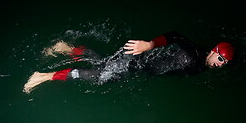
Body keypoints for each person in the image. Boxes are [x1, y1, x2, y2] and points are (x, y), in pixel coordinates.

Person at [23, 31, 234, 93]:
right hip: (135, 59)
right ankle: (44, 76)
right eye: (221, 58)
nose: (221, 64)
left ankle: (67, 48)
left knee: (101, 63)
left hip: (138, 64)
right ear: (214, 51)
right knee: (100, 77)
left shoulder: (200, 65)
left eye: (225, 63)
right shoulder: (194, 54)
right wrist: (150, 44)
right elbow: (175, 37)